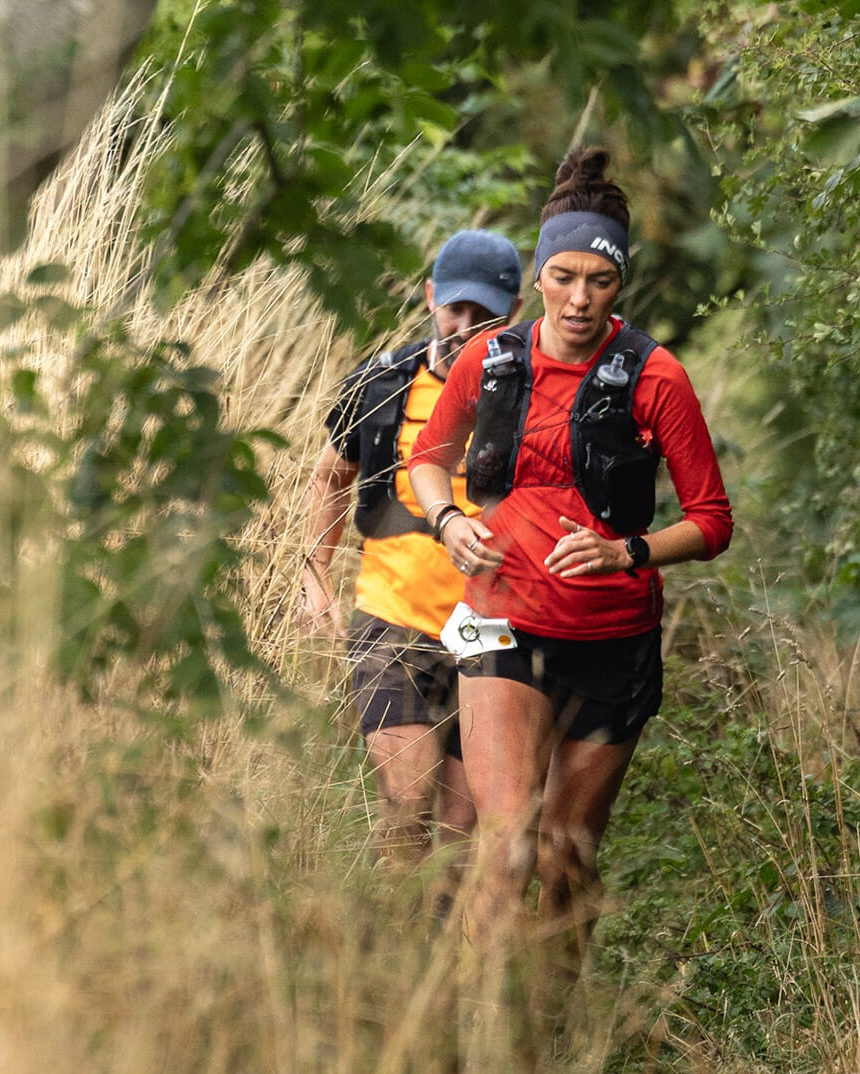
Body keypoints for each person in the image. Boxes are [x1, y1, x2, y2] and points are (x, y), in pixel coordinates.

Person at [405, 148, 733, 1016]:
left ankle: (549, 1032)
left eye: (600, 279)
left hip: (611, 643)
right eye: (562, 276)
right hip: (502, 627)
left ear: (620, 281)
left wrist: (628, 552)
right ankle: (467, 1038)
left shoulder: (657, 377)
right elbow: (429, 461)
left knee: (564, 855)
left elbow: (712, 522)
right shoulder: (490, 360)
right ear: (538, 275)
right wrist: (448, 522)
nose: (581, 299)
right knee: (506, 844)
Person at [301, 229, 525, 872]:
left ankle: (443, 965)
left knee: (462, 832)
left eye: (483, 316)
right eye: (454, 308)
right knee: (406, 803)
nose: (463, 326)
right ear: (431, 296)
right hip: (390, 620)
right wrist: (315, 576)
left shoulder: (533, 397)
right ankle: (392, 962)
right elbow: (330, 477)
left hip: (490, 628)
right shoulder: (380, 387)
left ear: (510, 315)